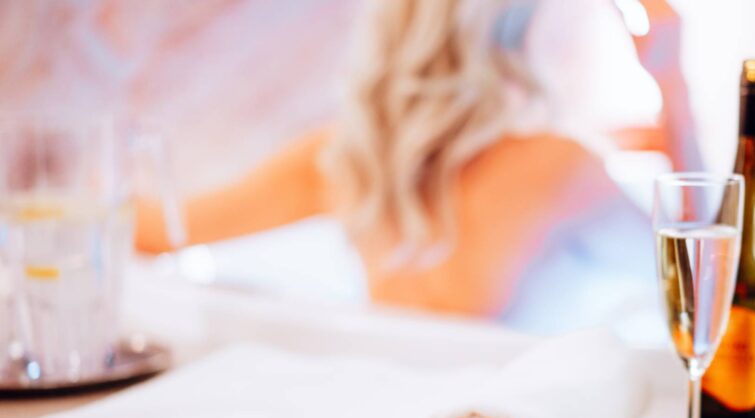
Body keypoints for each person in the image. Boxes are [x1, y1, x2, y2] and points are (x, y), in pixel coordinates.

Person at [136, 0, 700, 330]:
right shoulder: (557, 166)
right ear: (517, 36)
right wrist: (672, 83)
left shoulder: (341, 162)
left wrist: (65, 185)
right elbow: (703, 285)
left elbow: (160, 231)